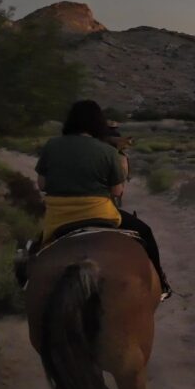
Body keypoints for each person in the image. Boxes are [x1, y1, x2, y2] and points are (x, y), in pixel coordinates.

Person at [34, 100, 172, 299]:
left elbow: (42, 184)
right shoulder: (107, 151)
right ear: (98, 123)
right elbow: (116, 191)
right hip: (100, 214)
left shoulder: (52, 145)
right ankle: (162, 285)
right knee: (145, 232)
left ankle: (26, 285)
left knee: (33, 251)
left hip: (59, 218)